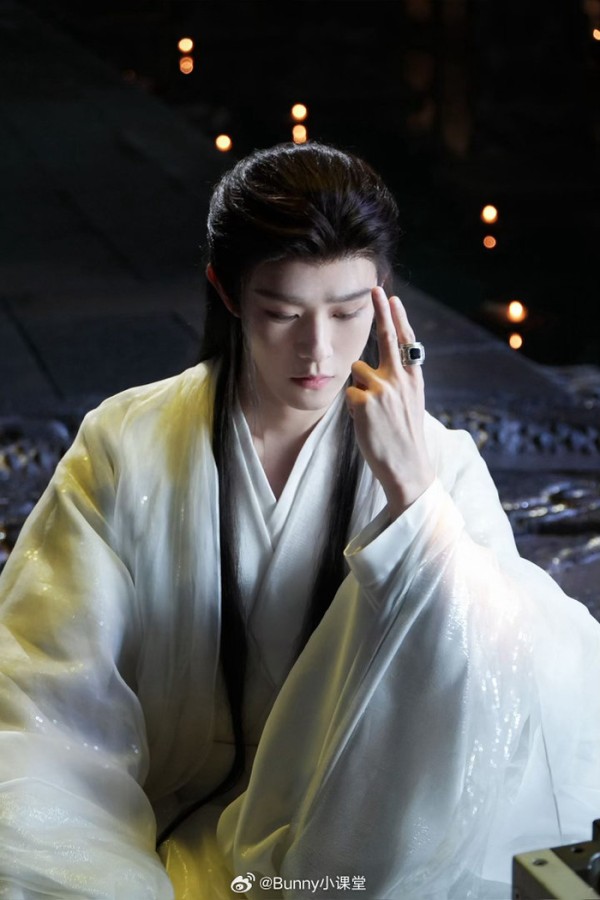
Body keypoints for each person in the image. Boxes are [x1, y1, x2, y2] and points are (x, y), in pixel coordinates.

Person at [0, 141, 598, 900]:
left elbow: (506, 675)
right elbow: (45, 688)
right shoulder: (127, 442)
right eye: (282, 313)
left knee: (441, 571)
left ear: (385, 299)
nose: (318, 351)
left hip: (349, 835)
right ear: (226, 293)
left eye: (348, 313)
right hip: (150, 807)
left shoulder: (437, 461)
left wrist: (413, 498)